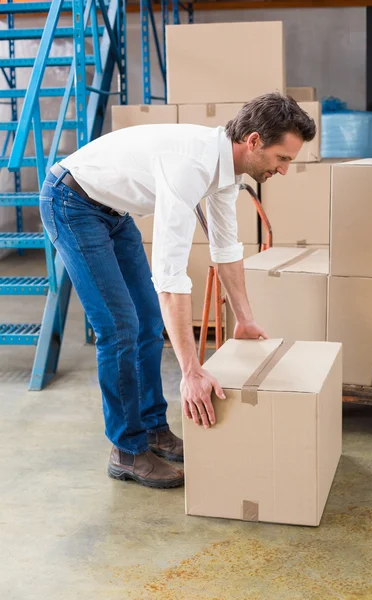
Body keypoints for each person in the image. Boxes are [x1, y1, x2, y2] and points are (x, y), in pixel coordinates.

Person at [39, 93, 316, 489]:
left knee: (149, 322)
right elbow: (170, 279)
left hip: (113, 213)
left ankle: (153, 429)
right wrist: (190, 372)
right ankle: (126, 450)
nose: (284, 170)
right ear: (253, 141)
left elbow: (226, 250)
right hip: (72, 203)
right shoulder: (191, 166)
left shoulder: (225, 170)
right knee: (120, 329)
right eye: (283, 159)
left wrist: (246, 320)